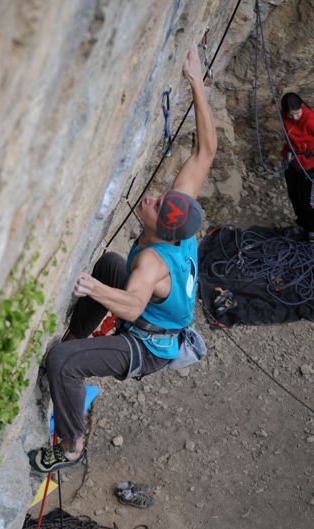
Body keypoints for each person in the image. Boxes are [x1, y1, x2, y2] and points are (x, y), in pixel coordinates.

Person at [28, 44, 217, 473]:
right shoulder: (178, 221)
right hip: (155, 317)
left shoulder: (152, 264)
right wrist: (196, 83)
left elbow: (132, 304)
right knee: (113, 263)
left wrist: (92, 289)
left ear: (162, 232)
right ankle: (78, 340)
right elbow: (206, 153)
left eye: (154, 208)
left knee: (62, 362)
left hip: (148, 347)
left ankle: (72, 445)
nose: (151, 199)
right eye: (160, 199)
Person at [280, 92, 314, 240]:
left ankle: (312, 230)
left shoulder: (310, 119)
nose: (294, 117)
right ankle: (302, 225)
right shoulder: (285, 116)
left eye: (297, 113)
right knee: (294, 195)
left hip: (310, 165)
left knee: (307, 200)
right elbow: (290, 138)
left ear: (302, 107)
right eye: (290, 115)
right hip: (294, 162)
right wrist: (289, 152)